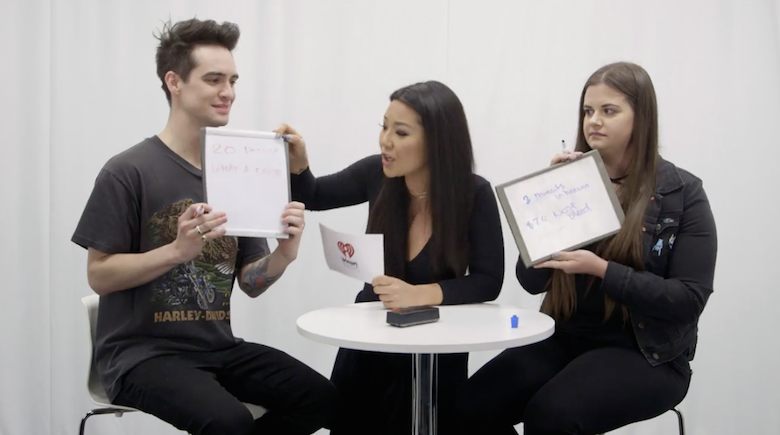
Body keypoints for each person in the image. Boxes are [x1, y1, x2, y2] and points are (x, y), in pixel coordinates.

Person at [71, 18, 335, 435]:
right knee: (229, 422)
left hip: (217, 347)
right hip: (141, 356)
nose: (228, 92)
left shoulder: (239, 171)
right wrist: (175, 252)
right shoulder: (127, 171)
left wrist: (284, 255)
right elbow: (99, 275)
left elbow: (250, 283)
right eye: (214, 80)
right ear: (174, 82)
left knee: (322, 400)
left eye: (232, 80)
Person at [454, 61, 718, 434]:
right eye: (588, 111)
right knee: (467, 407)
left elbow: (688, 299)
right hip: (566, 336)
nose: (593, 121)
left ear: (641, 117)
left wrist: (601, 270)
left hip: (646, 352)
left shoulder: (682, 193)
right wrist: (550, 200)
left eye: (609, 111)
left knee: (551, 415)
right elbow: (530, 281)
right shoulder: (573, 184)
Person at [274, 80, 505, 434]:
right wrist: (300, 165)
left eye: (400, 132)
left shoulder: (474, 193)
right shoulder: (378, 174)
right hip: (371, 339)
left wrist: (418, 294)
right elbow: (315, 195)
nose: (385, 141)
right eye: (383, 127)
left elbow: (488, 281)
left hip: (434, 346)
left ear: (437, 141)